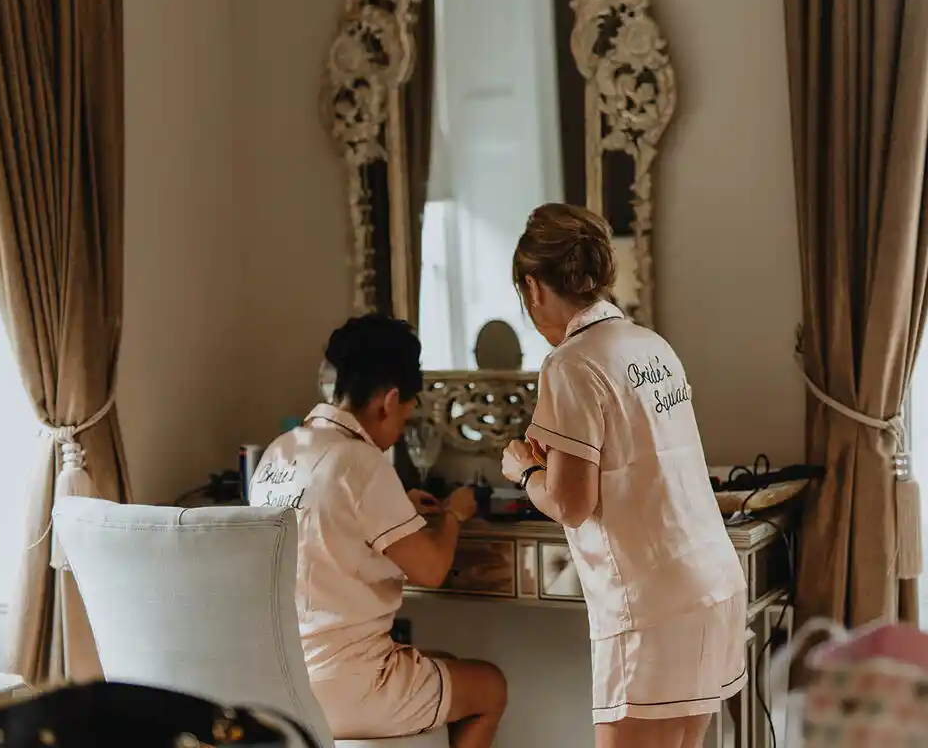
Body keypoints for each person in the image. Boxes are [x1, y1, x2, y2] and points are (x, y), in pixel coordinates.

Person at [501, 204, 747, 748]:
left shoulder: (571, 363)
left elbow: (571, 505)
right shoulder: (651, 345)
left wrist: (525, 470)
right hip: (711, 584)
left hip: (652, 604)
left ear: (533, 287)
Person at [248, 316, 507, 747]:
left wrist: (398, 505)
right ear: (389, 401)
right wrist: (453, 516)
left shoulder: (279, 451)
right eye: (405, 419)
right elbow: (431, 571)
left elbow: (327, 519)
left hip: (286, 679)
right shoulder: (360, 462)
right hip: (347, 687)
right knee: (490, 687)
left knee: (444, 662)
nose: (398, 434)